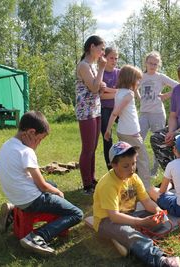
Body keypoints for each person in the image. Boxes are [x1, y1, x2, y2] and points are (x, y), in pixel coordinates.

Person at [0, 111, 83, 255]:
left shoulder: (7, 144)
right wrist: (58, 193)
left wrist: (52, 188)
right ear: (31, 132)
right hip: (31, 200)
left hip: (15, 196)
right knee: (76, 213)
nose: (39, 143)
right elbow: (42, 185)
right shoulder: (26, 152)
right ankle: (38, 237)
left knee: (52, 184)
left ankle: (13, 210)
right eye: (39, 139)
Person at [92, 141, 180, 267]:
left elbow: (147, 201)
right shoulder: (108, 184)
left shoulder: (134, 177)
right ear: (113, 165)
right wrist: (140, 222)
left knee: (157, 220)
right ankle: (161, 260)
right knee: (130, 233)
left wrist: (158, 211)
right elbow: (114, 216)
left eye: (133, 163)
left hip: (129, 215)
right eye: (126, 166)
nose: (132, 168)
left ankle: (125, 239)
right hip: (106, 221)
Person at [104, 65, 152, 190]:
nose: (139, 82)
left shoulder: (119, 92)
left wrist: (109, 129)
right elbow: (116, 112)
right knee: (143, 160)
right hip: (131, 134)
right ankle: (146, 189)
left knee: (126, 160)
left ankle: (127, 186)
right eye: (137, 80)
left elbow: (115, 113)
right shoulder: (129, 94)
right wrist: (108, 129)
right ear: (131, 80)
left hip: (122, 131)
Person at [137, 51, 178, 176]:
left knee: (159, 141)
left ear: (158, 65)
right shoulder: (140, 76)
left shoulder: (160, 77)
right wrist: (139, 98)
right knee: (137, 140)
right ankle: (138, 168)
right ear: (146, 62)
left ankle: (155, 170)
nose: (152, 66)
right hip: (144, 113)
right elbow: (133, 87)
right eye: (150, 63)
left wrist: (166, 95)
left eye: (155, 64)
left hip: (157, 113)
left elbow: (178, 86)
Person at [75, 35, 107, 194]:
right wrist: (101, 70)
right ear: (92, 47)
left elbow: (96, 87)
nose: (103, 52)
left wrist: (101, 84)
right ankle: (86, 184)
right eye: (101, 49)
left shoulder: (93, 65)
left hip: (95, 109)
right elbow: (94, 88)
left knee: (93, 147)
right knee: (87, 148)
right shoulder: (84, 65)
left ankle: (92, 179)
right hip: (85, 111)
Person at [100, 47, 120, 170]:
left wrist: (109, 90)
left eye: (116, 58)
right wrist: (118, 92)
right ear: (105, 58)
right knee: (107, 138)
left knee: (128, 134)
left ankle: (129, 163)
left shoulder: (120, 73)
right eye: (111, 58)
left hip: (120, 108)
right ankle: (111, 168)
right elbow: (100, 95)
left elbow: (127, 91)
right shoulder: (100, 73)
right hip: (105, 109)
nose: (114, 60)